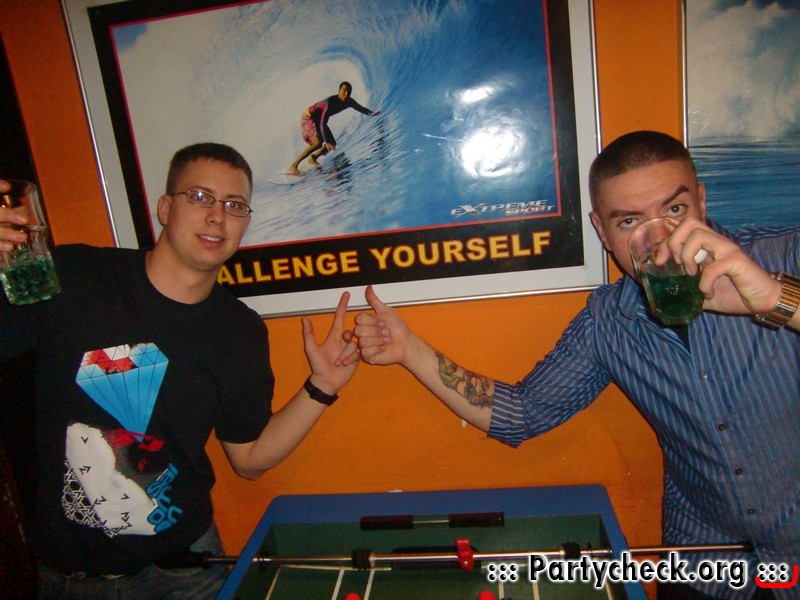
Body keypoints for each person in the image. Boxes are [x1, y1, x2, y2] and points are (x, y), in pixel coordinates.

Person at [350, 131, 800, 599]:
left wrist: (774, 299)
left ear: (702, 201)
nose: (660, 240)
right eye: (629, 221)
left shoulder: (784, 256)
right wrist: (408, 348)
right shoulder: (608, 321)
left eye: (675, 210)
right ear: (602, 232)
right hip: (706, 564)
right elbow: (522, 413)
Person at [0, 142, 359, 599]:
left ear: (245, 223)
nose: (217, 216)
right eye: (200, 197)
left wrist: (321, 386)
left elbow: (250, 459)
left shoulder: (240, 330)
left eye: (234, 205)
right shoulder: (74, 275)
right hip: (72, 580)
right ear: (166, 208)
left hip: (185, 570)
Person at [288, 81, 380, 176]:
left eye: (349, 91)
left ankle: (313, 158)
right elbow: (322, 122)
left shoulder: (349, 101)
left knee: (332, 143)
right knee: (317, 143)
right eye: (344, 90)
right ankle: (293, 166)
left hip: (319, 120)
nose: (346, 93)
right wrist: (326, 140)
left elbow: (360, 108)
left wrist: (371, 113)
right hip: (309, 117)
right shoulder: (329, 102)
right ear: (339, 91)